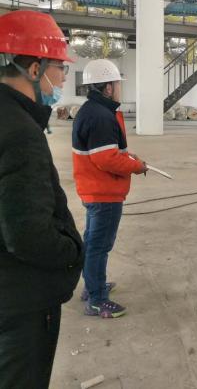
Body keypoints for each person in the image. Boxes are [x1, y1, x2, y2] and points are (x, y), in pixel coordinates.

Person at [0, 10, 83, 388]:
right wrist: (72, 252)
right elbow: (27, 233)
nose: (63, 78)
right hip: (21, 301)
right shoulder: (21, 132)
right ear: (34, 69)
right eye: (60, 68)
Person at [72, 59, 147, 318]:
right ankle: (97, 300)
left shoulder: (93, 110)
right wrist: (135, 166)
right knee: (99, 245)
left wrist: (129, 156)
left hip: (95, 189)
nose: (119, 88)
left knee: (93, 241)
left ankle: (92, 286)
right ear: (107, 87)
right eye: (117, 83)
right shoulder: (101, 116)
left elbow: (107, 150)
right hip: (104, 192)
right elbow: (106, 159)